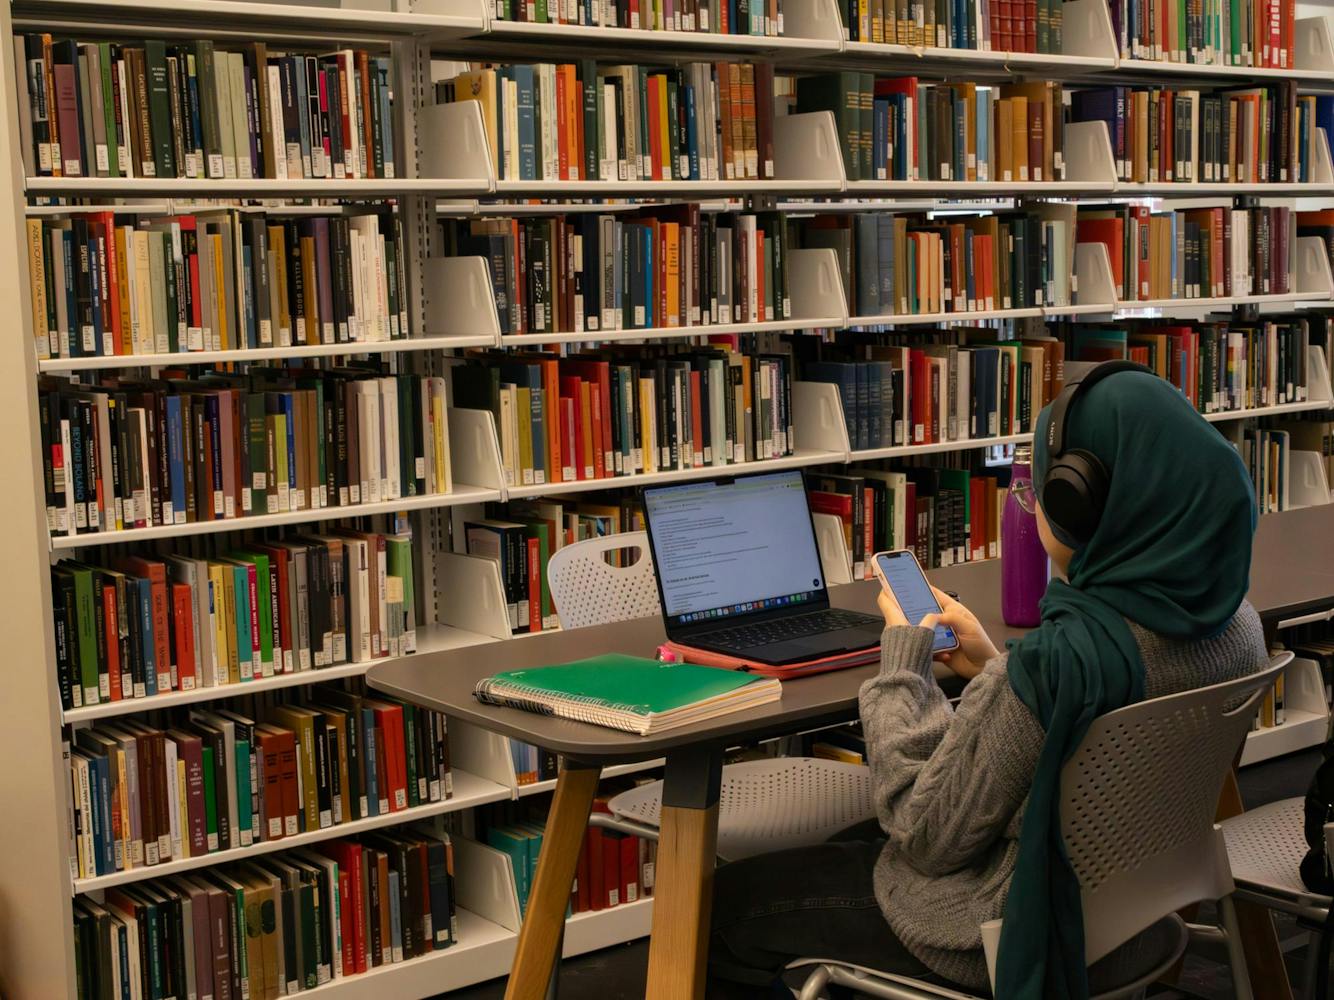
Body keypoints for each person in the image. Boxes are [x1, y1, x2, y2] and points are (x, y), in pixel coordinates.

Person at [706, 365, 1271, 999]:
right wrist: (994, 666)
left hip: (1007, 932)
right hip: (1136, 921)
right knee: (843, 845)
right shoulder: (1234, 627)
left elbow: (923, 833)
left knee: (720, 909)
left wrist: (903, 663)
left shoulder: (1058, 664)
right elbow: (1062, 738)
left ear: (1079, 508)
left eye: (1039, 494)